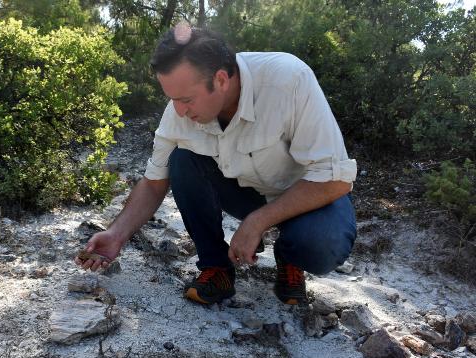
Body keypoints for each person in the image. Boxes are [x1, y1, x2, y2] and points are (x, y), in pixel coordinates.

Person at [77, 23, 357, 306]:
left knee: (320, 246)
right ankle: (217, 268)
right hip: (248, 194)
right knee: (182, 159)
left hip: (308, 197)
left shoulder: (288, 80)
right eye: (172, 99)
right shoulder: (179, 111)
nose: (179, 111)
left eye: (186, 99)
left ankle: (290, 256)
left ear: (221, 79)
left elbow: (335, 178)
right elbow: (153, 182)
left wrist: (257, 222)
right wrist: (116, 234)